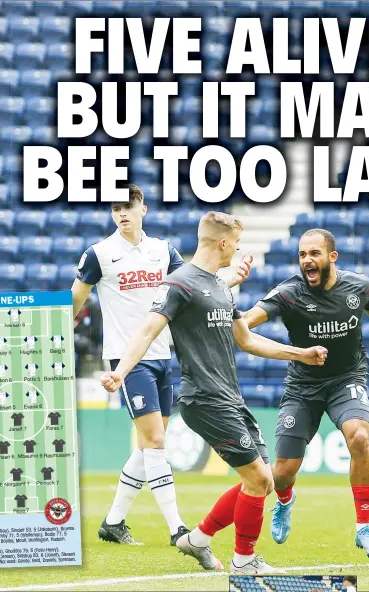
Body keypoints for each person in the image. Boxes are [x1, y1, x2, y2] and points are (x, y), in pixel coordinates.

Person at [101, 212, 328, 574]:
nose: (238, 249)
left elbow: (247, 340)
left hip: (230, 398)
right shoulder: (179, 284)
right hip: (203, 398)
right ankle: (244, 561)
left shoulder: (222, 286)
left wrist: (301, 353)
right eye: (236, 243)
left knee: (264, 482)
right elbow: (146, 331)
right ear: (223, 243)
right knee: (257, 480)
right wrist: (120, 372)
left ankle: (198, 539)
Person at [71, 186, 252, 546]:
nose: (122, 213)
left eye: (129, 206)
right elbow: (74, 301)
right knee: (155, 442)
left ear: (143, 209)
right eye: (116, 208)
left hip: (164, 356)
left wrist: (232, 279)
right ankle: (177, 529)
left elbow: (195, 287)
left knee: (147, 445)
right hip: (129, 358)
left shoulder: (162, 251)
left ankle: (112, 523)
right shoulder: (99, 254)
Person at [243, 228, 369, 559]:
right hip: (302, 385)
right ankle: (285, 501)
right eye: (302, 255)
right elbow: (245, 324)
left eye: (314, 253)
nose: (307, 261)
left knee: (359, 438)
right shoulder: (288, 293)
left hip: (347, 378)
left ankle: (364, 527)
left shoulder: (357, 286)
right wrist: (225, 303)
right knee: (282, 473)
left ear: (332, 257)